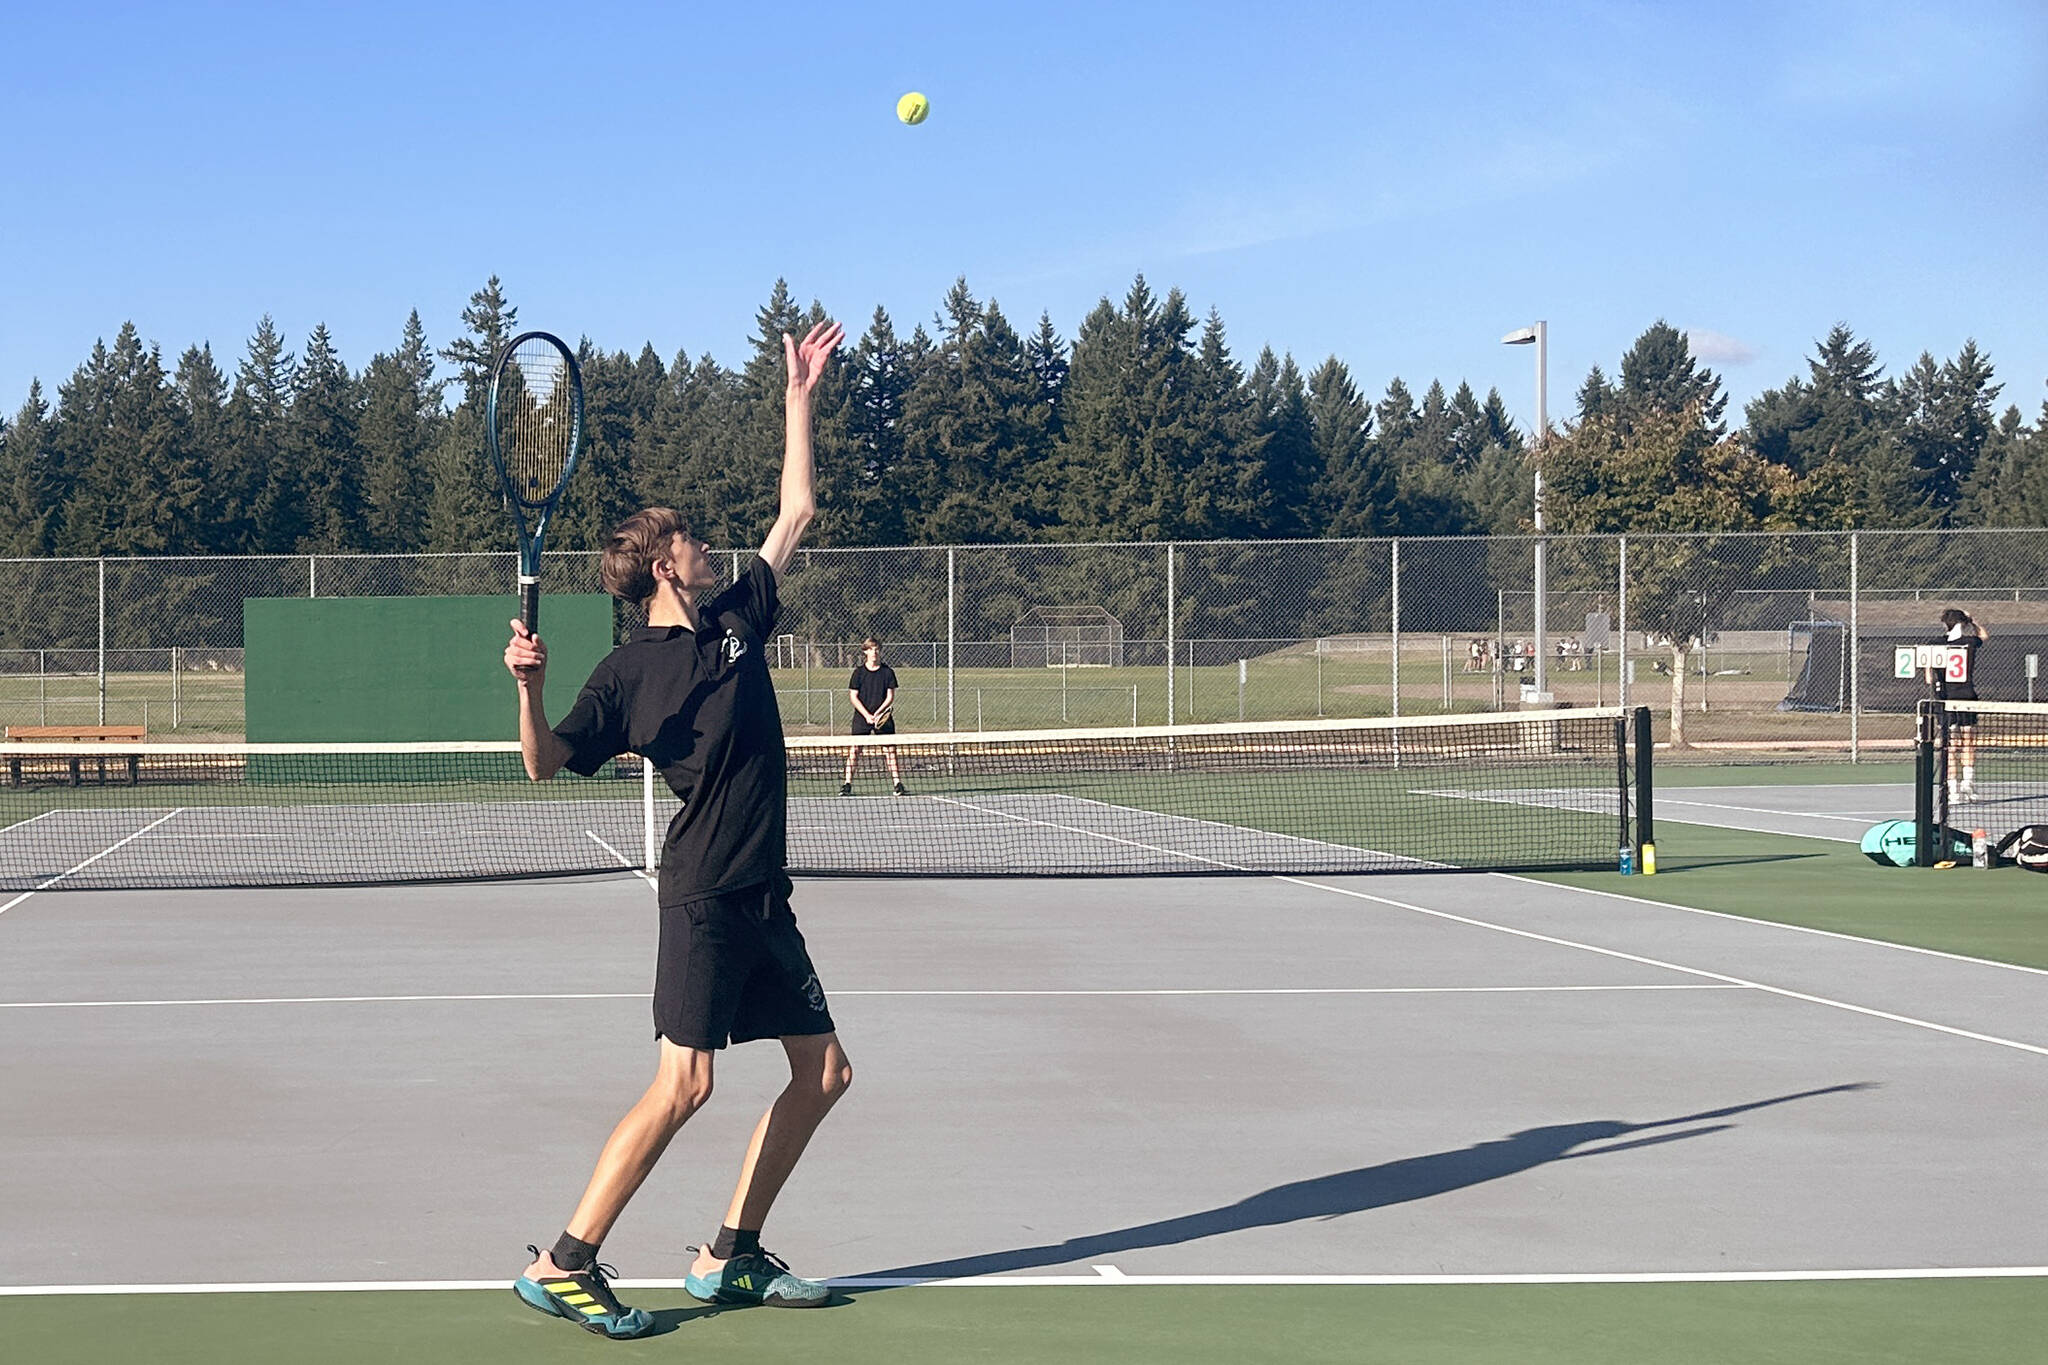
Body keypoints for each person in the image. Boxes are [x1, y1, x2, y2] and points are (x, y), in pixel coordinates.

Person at [502, 320, 848, 1339]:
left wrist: (797, 397)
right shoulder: (622, 677)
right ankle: (567, 1262)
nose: (705, 544)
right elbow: (542, 764)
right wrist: (526, 688)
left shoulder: (740, 621)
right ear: (661, 566)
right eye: (689, 537)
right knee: (685, 1081)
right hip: (698, 893)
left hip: (762, 896)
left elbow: (797, 509)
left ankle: (727, 1254)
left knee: (822, 1072)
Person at [1930, 607, 1987, 803]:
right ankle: (1966, 784)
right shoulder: (1970, 642)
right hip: (1965, 698)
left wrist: (1934, 680)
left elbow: (1928, 676)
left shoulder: (1936, 644)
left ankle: (1955, 789)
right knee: (1967, 741)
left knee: (1951, 745)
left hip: (1946, 700)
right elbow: (1984, 635)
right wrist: (1973, 621)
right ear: (1963, 624)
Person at [842, 636, 906, 795]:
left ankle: (897, 784)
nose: (874, 652)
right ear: (865, 651)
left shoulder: (887, 672)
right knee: (855, 750)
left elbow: (890, 697)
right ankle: (847, 784)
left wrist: (878, 714)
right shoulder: (858, 673)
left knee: (890, 750)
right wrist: (867, 715)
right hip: (862, 718)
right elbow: (853, 697)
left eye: (876, 649)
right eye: (870, 649)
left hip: (882, 718)